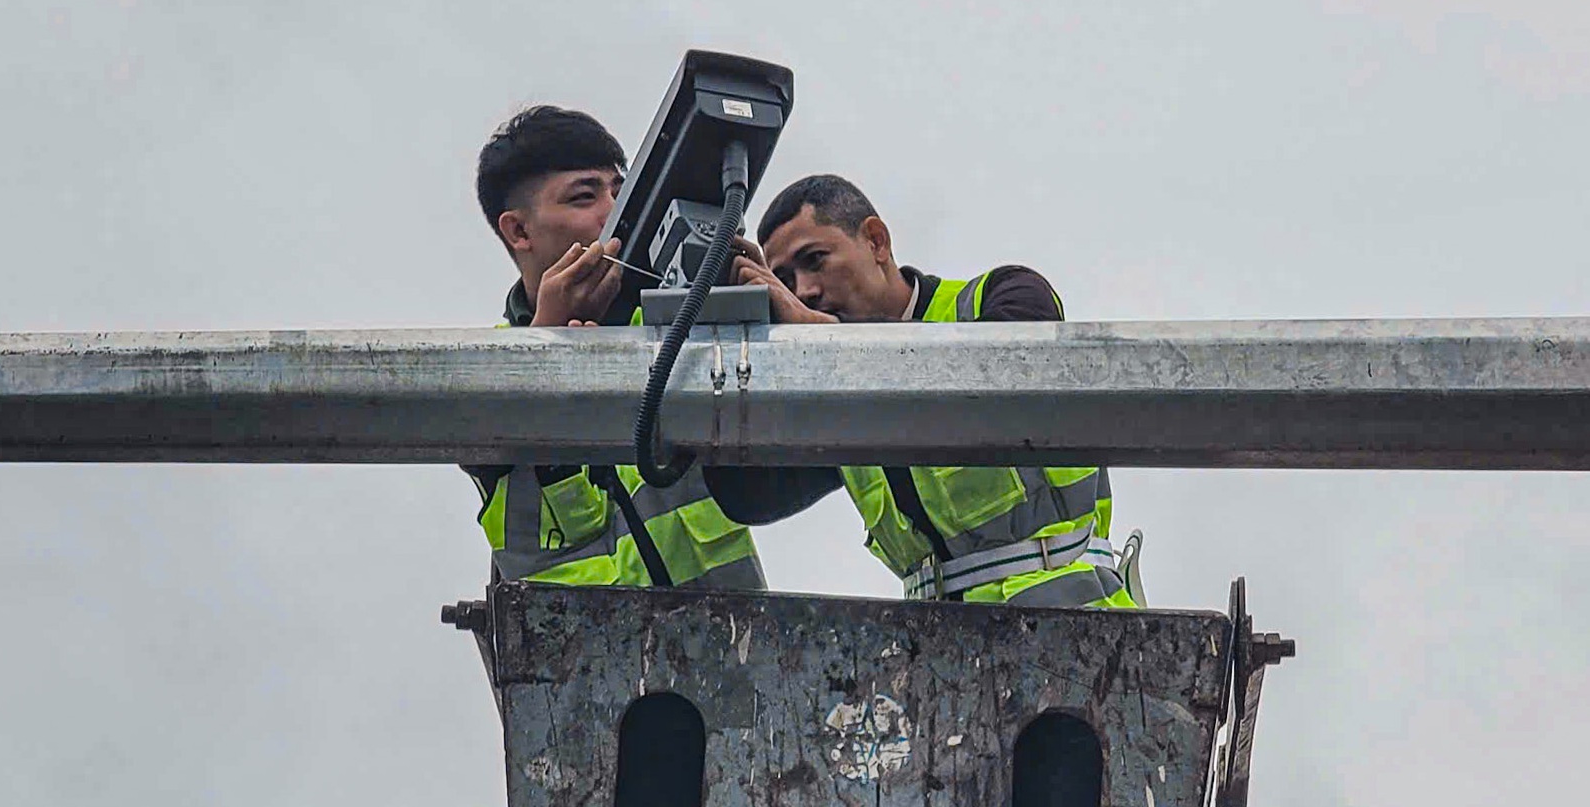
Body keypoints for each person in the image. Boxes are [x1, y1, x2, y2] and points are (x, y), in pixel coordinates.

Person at [729, 173, 1142, 609]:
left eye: (815, 260)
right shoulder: (833, 394)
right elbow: (749, 495)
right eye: (785, 280)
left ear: (876, 241)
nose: (804, 291)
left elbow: (1003, 378)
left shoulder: (1003, 295)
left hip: (1075, 624)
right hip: (941, 643)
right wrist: (727, 332)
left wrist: (829, 334)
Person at [464, 106, 825, 591]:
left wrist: (760, 320)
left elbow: (797, 466)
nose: (616, 210)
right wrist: (550, 341)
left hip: (733, 638)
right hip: (573, 640)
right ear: (519, 231)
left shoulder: (679, 331)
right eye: (585, 196)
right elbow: (474, 438)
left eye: (621, 190)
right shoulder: (483, 368)